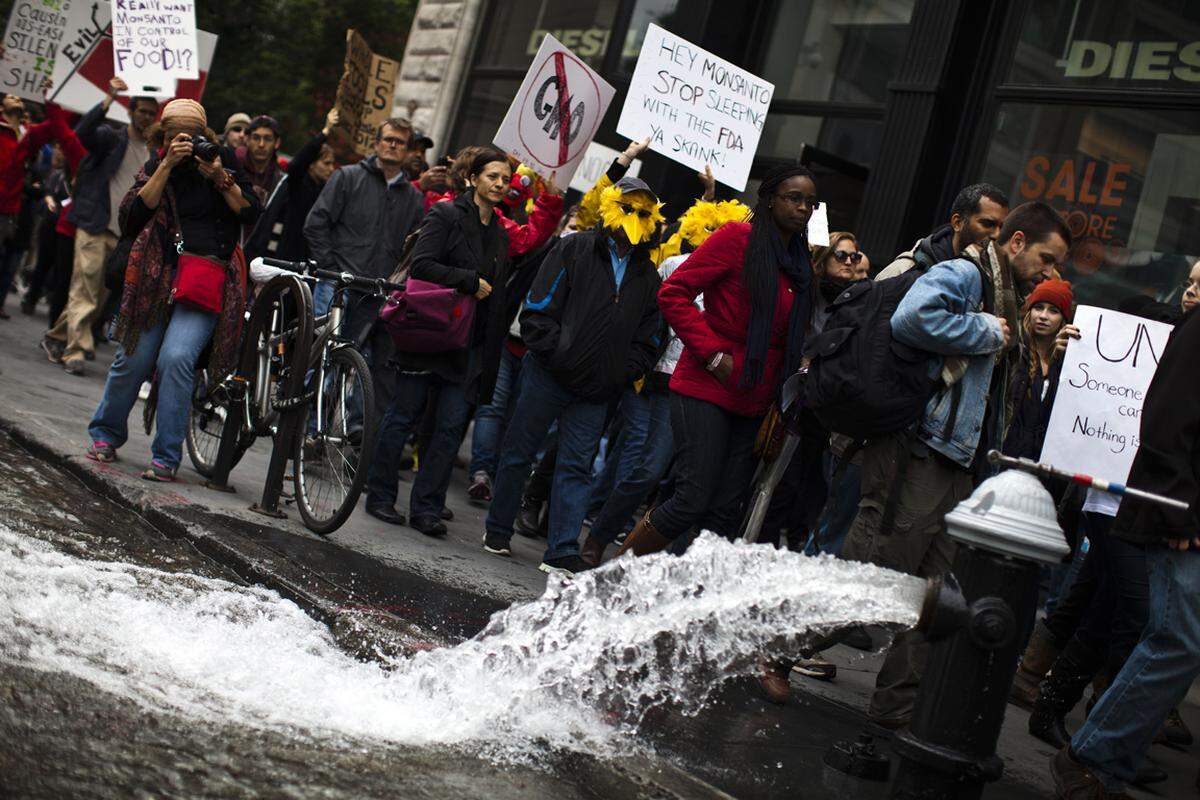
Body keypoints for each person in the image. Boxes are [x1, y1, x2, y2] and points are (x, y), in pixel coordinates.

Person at [838, 201, 1069, 730]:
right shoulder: (966, 274)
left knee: (938, 591)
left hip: (959, 459)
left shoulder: (1007, 295)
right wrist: (986, 331)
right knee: (878, 575)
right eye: (1046, 257)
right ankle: (779, 650)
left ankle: (895, 705)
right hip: (921, 449)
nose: (1050, 271)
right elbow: (913, 318)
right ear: (1016, 244)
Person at [617, 164, 818, 560]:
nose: (803, 209)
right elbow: (673, 292)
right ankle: (614, 580)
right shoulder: (737, 238)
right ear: (770, 199)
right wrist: (711, 355)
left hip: (756, 397)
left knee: (725, 514)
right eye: (794, 198)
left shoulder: (799, 261)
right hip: (707, 385)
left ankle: (678, 603)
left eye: (810, 203)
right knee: (692, 498)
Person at [1049, 301, 1200, 798]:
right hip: (1180, 518)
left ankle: (1102, 754)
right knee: (1173, 640)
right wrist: (1178, 510)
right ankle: (1095, 756)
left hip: (1182, 514)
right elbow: (1165, 420)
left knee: (1171, 638)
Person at [482, 176, 665, 576]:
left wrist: (620, 371)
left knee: (576, 466)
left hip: (597, 389)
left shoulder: (647, 276)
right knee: (518, 453)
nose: (634, 218)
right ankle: (497, 529)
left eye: (643, 213)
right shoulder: (574, 248)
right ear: (611, 208)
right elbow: (537, 308)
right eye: (628, 208)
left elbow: (650, 336)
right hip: (549, 375)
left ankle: (562, 548)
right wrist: (555, 353)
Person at [84, 99, 259, 480]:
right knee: (133, 358)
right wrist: (165, 164)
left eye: (195, 135)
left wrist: (218, 175)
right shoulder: (155, 164)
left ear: (206, 135)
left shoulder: (222, 160)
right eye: (178, 135)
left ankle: (166, 456)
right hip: (156, 277)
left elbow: (248, 211)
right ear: (163, 135)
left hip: (204, 278)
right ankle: (105, 434)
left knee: (176, 359)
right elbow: (132, 216)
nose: (188, 141)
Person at [580, 196, 750, 566]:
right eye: (709, 228)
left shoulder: (745, 278)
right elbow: (659, 316)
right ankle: (599, 535)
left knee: (684, 482)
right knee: (649, 467)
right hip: (664, 379)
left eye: (723, 231)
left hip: (714, 388)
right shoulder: (676, 264)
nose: (716, 236)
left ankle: (649, 557)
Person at [363, 149, 514, 535]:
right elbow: (423, 264)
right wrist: (466, 280)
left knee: (448, 429)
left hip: (467, 345)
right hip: (430, 333)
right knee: (403, 416)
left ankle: (427, 507)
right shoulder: (446, 214)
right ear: (474, 178)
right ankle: (379, 495)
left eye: (506, 179)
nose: (500, 184)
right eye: (493, 176)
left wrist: (488, 358)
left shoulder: (499, 231)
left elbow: (496, 297)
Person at [304, 117, 425, 413]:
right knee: (321, 354)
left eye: (400, 142)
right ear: (377, 143)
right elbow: (316, 223)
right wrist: (330, 266)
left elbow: (412, 248)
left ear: (409, 151)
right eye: (388, 139)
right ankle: (301, 421)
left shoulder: (413, 197)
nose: (393, 145)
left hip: (375, 290)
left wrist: (394, 281)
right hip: (337, 281)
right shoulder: (346, 176)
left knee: (349, 358)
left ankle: (318, 432)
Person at [41, 78, 158, 374]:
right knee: (86, 288)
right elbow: (82, 133)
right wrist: (109, 96)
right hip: (94, 225)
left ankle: (56, 336)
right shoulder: (111, 137)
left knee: (99, 294)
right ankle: (76, 350)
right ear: (130, 111)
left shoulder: (154, 154)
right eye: (142, 111)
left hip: (122, 236)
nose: (146, 117)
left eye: (151, 113)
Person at [0, 92, 72, 319]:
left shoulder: (27, 137)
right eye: (11, 98)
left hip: (9, 211)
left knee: (7, 262)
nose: (16, 98)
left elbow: (57, 125)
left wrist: (55, 96)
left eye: (19, 99)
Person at [244, 108, 339, 263]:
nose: (331, 169)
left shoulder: (323, 191)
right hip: (275, 259)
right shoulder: (297, 184)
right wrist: (325, 132)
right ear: (311, 164)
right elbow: (296, 166)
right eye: (326, 163)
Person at [875, 183, 1010, 280]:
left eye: (1001, 227)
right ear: (958, 223)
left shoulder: (991, 284)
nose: (996, 235)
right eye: (987, 224)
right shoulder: (904, 270)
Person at [238, 114, 284, 205]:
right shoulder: (235, 170)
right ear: (247, 140)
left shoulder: (282, 179)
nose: (261, 144)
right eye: (256, 138)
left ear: (277, 143)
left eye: (268, 139)